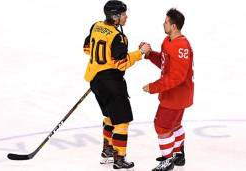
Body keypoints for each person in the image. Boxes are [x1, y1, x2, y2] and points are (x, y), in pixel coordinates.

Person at [82, 0, 151, 170]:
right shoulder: (118, 37)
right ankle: (119, 158)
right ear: (115, 17)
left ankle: (107, 151)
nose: (126, 17)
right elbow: (121, 63)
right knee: (122, 121)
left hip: (95, 81)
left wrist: (102, 61)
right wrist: (139, 53)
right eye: (123, 14)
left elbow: (86, 48)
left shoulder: (96, 26)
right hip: (112, 83)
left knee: (110, 117)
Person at [142, 8, 194, 171]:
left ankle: (167, 160)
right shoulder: (168, 41)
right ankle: (178, 155)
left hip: (176, 96)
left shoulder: (181, 45)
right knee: (175, 125)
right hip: (176, 95)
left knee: (162, 126)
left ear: (173, 26)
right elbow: (166, 65)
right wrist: (150, 54)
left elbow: (176, 77)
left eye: (166, 21)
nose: (163, 24)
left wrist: (154, 87)